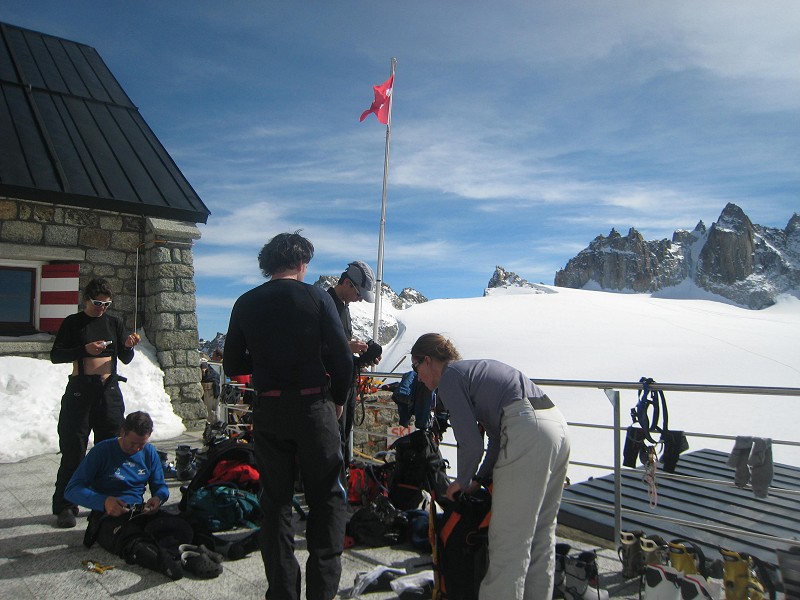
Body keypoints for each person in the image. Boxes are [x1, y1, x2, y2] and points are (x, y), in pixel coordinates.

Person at [223, 231, 354, 600]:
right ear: (300, 262)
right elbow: (342, 359)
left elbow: (233, 363)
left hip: (269, 409)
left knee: (275, 502)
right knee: (327, 499)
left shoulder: (245, 302)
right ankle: (322, 593)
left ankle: (282, 593)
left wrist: (264, 362)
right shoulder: (315, 296)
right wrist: (339, 401)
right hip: (315, 408)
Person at [409, 333, 571, 600]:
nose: (418, 376)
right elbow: (496, 437)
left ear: (428, 361)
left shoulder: (450, 377)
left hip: (528, 429)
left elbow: (470, 442)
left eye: (416, 368)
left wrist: (460, 481)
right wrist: (480, 480)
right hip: (556, 426)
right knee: (542, 534)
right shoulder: (471, 371)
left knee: (508, 540)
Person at [50, 277, 141, 528]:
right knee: (74, 449)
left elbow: (126, 358)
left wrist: (127, 345)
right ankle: (66, 505)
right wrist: (84, 350)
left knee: (111, 449)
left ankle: (106, 504)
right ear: (85, 300)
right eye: (98, 303)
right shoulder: (73, 323)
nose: (102, 308)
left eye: (107, 304)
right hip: (80, 390)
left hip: (109, 391)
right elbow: (56, 355)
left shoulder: (114, 322)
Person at [64, 411, 194, 580]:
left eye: (141, 444)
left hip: (139, 511)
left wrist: (158, 499)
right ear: (122, 432)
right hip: (108, 515)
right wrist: (104, 501)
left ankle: (190, 552)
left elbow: (160, 487)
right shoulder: (102, 451)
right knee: (130, 539)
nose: (136, 449)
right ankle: (162, 562)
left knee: (183, 525)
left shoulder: (149, 452)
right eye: (132, 443)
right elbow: (72, 490)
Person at [326, 260, 381, 465]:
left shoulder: (344, 307)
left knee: (344, 437)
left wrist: (362, 358)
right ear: (348, 283)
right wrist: (346, 348)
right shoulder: (325, 303)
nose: (359, 300)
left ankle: (343, 479)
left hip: (346, 385)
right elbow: (312, 347)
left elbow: (339, 350)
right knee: (334, 439)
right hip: (330, 388)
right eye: (359, 294)